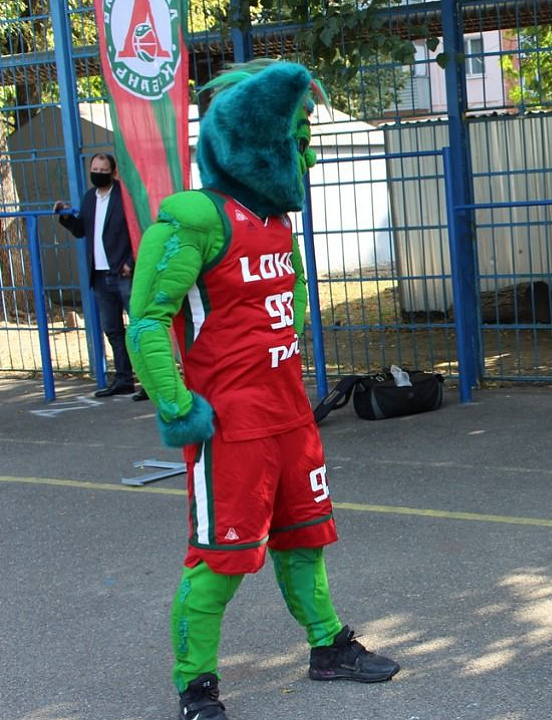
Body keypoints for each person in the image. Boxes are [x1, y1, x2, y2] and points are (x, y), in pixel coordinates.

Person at [127, 61, 398, 720]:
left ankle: (328, 645)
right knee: (219, 561)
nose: (304, 147)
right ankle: (196, 686)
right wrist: (176, 403)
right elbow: (146, 321)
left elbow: (293, 293)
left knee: (306, 540)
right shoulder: (196, 216)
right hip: (231, 428)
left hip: (289, 416)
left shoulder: (277, 222)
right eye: (296, 132)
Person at [55, 153, 142, 399]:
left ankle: (148, 382)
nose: (98, 173)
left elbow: (138, 230)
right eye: (95, 168)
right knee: (113, 330)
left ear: (114, 173)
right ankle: (124, 379)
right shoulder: (88, 199)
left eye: (104, 169)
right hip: (100, 275)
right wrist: (65, 216)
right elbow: (82, 230)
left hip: (124, 273)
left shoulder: (124, 196)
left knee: (138, 329)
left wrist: (131, 263)